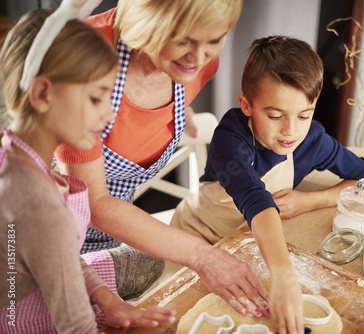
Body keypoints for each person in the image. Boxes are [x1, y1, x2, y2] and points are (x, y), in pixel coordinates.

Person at [53, 0, 268, 317]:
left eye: (213, 39)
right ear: (146, 23)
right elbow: (95, 203)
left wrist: (176, 111)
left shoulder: (197, 67)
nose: (198, 57)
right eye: (183, 40)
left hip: (110, 230)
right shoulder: (82, 64)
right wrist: (203, 257)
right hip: (51, 231)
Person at [171, 35, 364, 333]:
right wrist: (284, 276)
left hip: (254, 248)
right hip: (196, 240)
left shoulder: (313, 139)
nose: (290, 131)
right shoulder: (230, 139)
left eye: (304, 115)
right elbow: (255, 198)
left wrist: (310, 200)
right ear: (247, 105)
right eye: (275, 115)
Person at [0, 4, 175, 332]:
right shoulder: (39, 205)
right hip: (23, 321)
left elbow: (54, 251)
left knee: (152, 261)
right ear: (42, 93)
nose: (108, 115)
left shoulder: (13, 150)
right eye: (96, 99)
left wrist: (106, 299)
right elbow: (76, 326)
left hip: (38, 285)